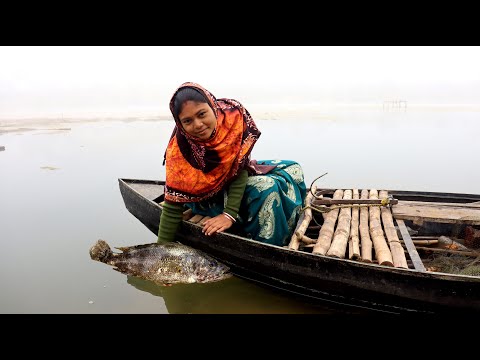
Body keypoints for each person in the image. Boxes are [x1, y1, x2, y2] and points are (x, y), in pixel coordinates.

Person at [158, 82, 307, 246]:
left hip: (234, 182)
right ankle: (267, 246)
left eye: (202, 114)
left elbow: (240, 168)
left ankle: (291, 218)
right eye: (187, 121)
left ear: (213, 107)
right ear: (180, 124)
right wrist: (159, 249)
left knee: (293, 168)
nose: (198, 124)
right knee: (267, 188)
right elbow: (173, 203)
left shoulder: (232, 118)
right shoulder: (179, 151)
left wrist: (229, 214)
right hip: (205, 198)